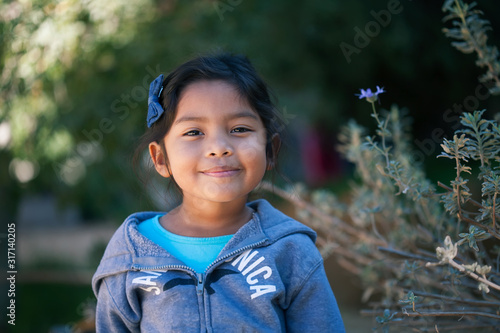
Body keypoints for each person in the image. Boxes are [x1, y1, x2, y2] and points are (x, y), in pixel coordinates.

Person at [92, 53, 346, 332]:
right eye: (194, 132)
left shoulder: (291, 251)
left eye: (239, 129)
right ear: (161, 159)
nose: (219, 147)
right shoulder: (130, 258)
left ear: (269, 149)